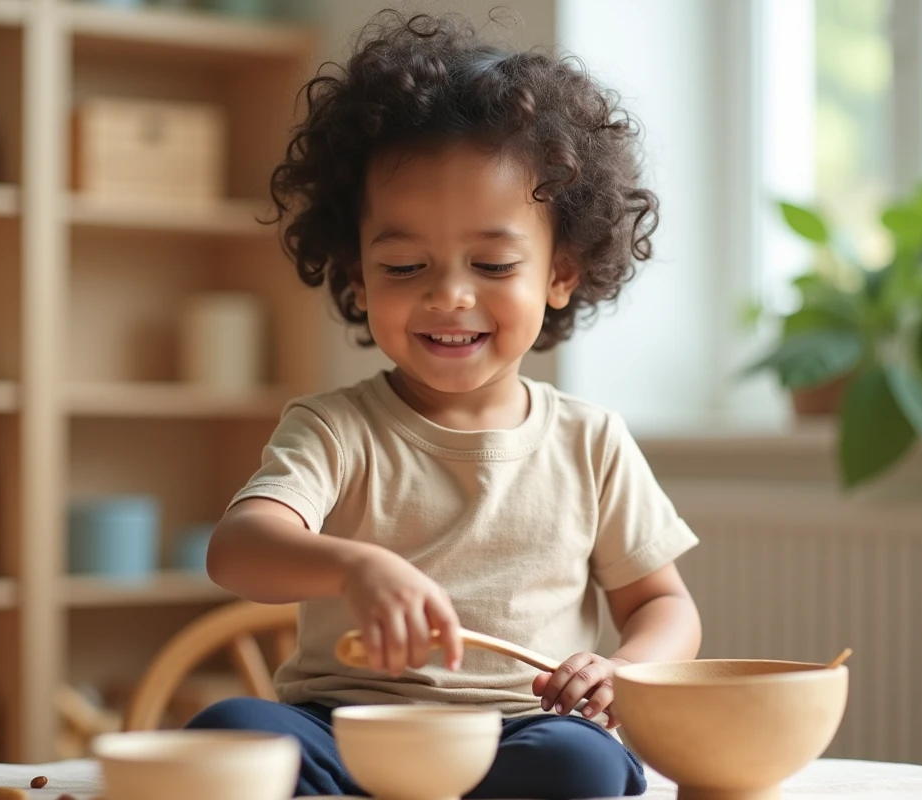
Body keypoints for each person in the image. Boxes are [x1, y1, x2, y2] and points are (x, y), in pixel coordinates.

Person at [191, 10, 702, 799]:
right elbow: (239, 549)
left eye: (494, 264)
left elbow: (664, 604)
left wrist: (625, 668)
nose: (449, 295)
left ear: (561, 272)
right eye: (404, 265)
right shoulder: (335, 427)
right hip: (348, 729)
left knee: (584, 763)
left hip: (518, 730)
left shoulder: (590, 440)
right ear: (357, 276)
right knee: (229, 733)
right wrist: (355, 566)